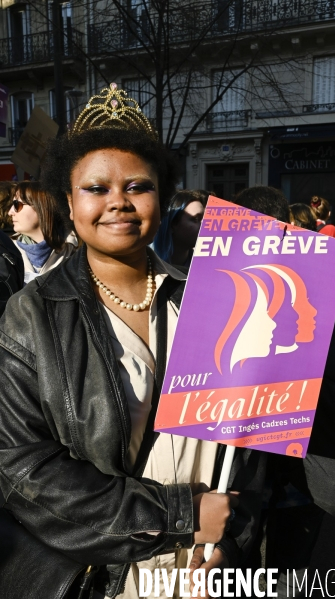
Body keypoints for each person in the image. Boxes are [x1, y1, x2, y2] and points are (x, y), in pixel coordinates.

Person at [0, 84, 265, 599]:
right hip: (101, 578)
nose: (117, 202)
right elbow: (23, 472)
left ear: (161, 198)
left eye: (137, 186)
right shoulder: (29, 317)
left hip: (204, 577)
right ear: (69, 203)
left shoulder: (218, 297)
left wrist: (231, 545)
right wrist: (181, 516)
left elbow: (251, 450)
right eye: (96, 188)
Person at [8, 181, 78, 284]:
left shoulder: (77, 250)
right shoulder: (7, 251)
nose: (10, 212)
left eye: (16, 205)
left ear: (41, 207)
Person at [153, 189, 208, 266]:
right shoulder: (145, 264)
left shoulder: (204, 266)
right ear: (172, 224)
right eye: (196, 219)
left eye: (205, 219)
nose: (205, 225)